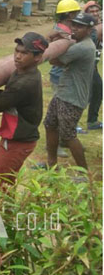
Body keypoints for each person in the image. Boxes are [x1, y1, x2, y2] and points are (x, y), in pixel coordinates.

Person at [0, 32, 48, 186]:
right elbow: (7, 96)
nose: (18, 56)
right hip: (20, 139)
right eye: (17, 51)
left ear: (37, 57)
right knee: (4, 184)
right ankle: (8, 210)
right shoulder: (22, 72)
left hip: (18, 142)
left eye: (24, 53)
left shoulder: (25, 82)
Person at [44, 13, 98, 169]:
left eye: (80, 26)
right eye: (74, 25)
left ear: (89, 30)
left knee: (68, 135)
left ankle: (84, 172)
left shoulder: (83, 47)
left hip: (72, 98)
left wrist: (54, 40)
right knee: (50, 124)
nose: (75, 29)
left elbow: (54, 60)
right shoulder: (80, 43)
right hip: (64, 93)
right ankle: (51, 164)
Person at [48, 0, 82, 87]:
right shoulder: (60, 32)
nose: (79, 15)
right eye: (77, 13)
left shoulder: (62, 28)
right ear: (70, 15)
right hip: (60, 75)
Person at [82, 1, 102, 131]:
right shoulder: (87, 28)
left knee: (97, 91)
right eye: (91, 11)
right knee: (87, 94)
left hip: (93, 64)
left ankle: (92, 121)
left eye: (96, 11)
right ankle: (89, 121)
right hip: (85, 66)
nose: (95, 13)